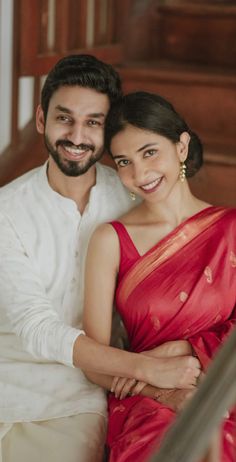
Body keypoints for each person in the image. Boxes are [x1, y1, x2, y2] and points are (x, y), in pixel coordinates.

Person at [0, 57, 200, 462]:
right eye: (64, 118)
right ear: (41, 119)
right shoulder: (6, 211)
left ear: (108, 130)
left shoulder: (132, 196)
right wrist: (149, 373)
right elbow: (36, 327)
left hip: (79, 390)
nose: (76, 135)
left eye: (93, 122)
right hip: (10, 367)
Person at [83, 91, 236, 461]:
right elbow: (94, 359)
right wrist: (161, 387)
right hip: (148, 398)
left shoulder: (231, 228)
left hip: (225, 386)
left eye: (149, 152)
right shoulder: (110, 239)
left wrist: (183, 350)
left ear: (181, 146)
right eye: (124, 161)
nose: (140, 174)